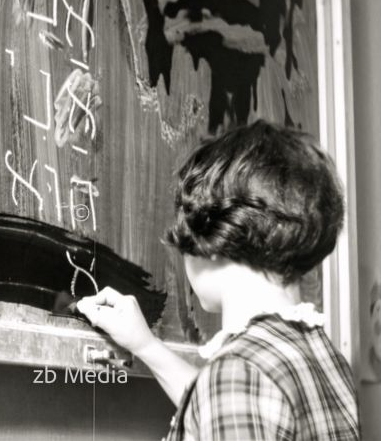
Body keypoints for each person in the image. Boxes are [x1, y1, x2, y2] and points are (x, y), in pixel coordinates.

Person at [76, 120, 360, 440]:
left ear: (210, 237)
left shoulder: (238, 375)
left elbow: (236, 395)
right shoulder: (321, 356)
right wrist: (146, 346)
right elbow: (241, 410)